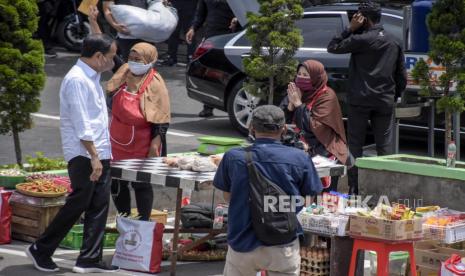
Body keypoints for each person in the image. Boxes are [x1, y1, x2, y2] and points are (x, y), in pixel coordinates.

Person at [26, 34, 119, 273]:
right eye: (110, 57)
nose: (114, 61)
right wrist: (95, 157)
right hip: (85, 154)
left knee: (98, 204)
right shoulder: (77, 80)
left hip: (99, 150)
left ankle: (89, 258)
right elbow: (81, 123)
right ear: (98, 57)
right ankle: (41, 248)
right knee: (79, 203)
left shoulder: (92, 75)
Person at [214, 105, 322, 276]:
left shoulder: (233, 157)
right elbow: (309, 199)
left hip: (242, 242)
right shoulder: (300, 158)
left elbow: (227, 196)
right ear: (284, 129)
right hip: (283, 243)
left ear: (251, 128)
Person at [327, 1, 407, 194]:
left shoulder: (360, 39)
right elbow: (401, 75)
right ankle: (386, 189)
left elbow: (333, 46)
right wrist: (394, 95)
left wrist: (349, 28)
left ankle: (354, 187)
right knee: (384, 146)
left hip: (360, 100)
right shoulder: (394, 40)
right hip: (384, 100)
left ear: (364, 19)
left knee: (355, 145)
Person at [106, 42, 171, 220]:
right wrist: (94, 21)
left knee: (141, 183)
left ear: (150, 61)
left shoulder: (156, 84)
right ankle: (124, 217)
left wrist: (154, 145)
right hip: (117, 141)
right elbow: (111, 54)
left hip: (143, 143)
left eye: (138, 59)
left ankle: (143, 220)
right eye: (131, 58)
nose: (133, 62)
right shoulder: (124, 72)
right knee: (117, 182)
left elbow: (162, 118)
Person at [280, 60, 351, 192]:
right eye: (299, 74)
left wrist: (298, 105)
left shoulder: (327, 96)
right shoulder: (297, 91)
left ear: (315, 77)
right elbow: (280, 122)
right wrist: (290, 106)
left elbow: (316, 127)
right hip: (298, 147)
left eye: (306, 75)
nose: (301, 78)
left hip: (323, 147)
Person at [185, 0, 240, 117]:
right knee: (210, 71)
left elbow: (246, 12)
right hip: (212, 36)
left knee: (229, 73)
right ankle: (208, 106)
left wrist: (237, 19)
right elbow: (200, 14)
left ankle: (231, 105)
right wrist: (193, 28)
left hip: (231, 36)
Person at [160, 0, 199, 66]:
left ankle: (190, 57)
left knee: (189, 33)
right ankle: (172, 57)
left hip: (189, 7)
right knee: (173, 32)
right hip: (177, 6)